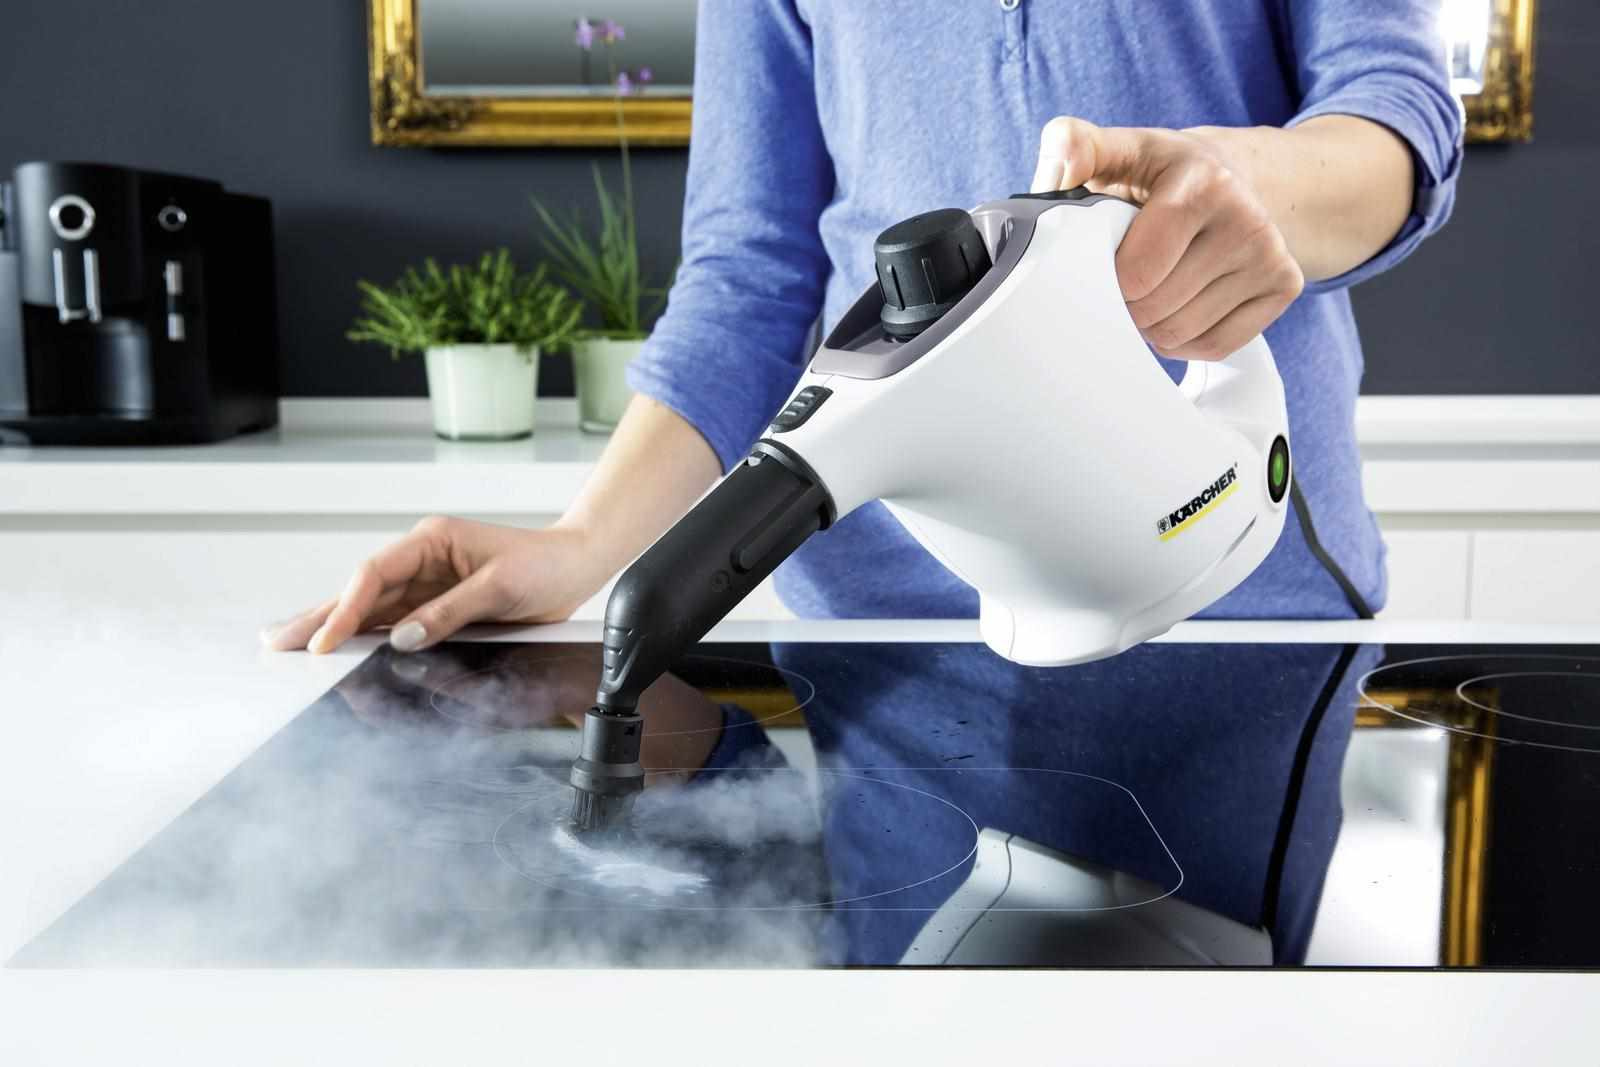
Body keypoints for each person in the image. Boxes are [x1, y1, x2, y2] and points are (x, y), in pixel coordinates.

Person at [265, 1, 1460, 962]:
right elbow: (750, 272)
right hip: (884, 642)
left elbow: (1395, 118)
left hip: (1237, 609)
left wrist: (1245, 186)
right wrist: (583, 546)